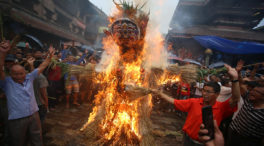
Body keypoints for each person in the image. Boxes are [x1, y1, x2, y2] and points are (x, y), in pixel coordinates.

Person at [151, 64, 240, 146]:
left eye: (208, 92)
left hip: (205, 144)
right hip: (187, 140)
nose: (205, 94)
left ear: (217, 94)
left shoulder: (221, 107)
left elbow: (235, 99)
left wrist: (235, 79)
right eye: (204, 90)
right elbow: (174, 101)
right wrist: (160, 94)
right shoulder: (194, 102)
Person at [0, 41, 54, 146]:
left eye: (21, 73)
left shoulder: (30, 77)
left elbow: (43, 66)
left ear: (25, 72)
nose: (19, 76)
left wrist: (50, 56)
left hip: (34, 115)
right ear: (10, 74)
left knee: (37, 138)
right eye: (15, 74)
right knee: (18, 141)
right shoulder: (6, 83)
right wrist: (2, 53)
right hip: (17, 118)